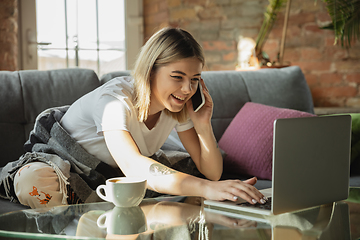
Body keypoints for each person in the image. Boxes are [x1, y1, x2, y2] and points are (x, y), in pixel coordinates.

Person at [12, 27, 266, 209]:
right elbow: (134, 167)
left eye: (195, 79)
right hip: (62, 164)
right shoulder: (114, 100)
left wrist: (202, 124)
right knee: (34, 184)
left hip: (109, 178)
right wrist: (208, 189)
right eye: (177, 77)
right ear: (150, 71)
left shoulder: (177, 106)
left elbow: (211, 172)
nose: (188, 89)